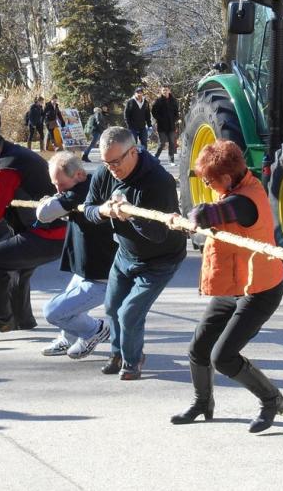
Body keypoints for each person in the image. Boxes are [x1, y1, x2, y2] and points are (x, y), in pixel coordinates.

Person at [168, 140, 283, 433]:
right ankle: (202, 403)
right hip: (235, 285)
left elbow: (207, 215)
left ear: (227, 178)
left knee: (223, 356)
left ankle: (271, 399)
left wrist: (190, 220)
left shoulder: (245, 201)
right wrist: (184, 224)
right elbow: (208, 223)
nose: (207, 185)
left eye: (209, 180)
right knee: (198, 348)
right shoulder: (232, 192)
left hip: (260, 289)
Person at [83, 127, 186, 380]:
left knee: (129, 312)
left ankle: (133, 360)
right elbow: (88, 208)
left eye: (116, 162)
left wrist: (132, 215)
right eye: (107, 163)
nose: (111, 168)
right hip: (126, 254)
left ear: (134, 152)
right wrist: (103, 211)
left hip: (160, 260)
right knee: (112, 307)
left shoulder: (158, 181)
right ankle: (117, 354)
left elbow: (159, 234)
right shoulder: (104, 173)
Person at [0, 129, 67, 335]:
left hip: (46, 234)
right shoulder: (18, 156)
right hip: (61, 231)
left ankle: (0, 319)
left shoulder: (6, 167)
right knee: (17, 267)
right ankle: (22, 320)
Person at [35, 152, 117, 358]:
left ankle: (95, 330)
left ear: (79, 174)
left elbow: (44, 215)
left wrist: (51, 201)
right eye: (55, 185)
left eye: (61, 184)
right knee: (67, 309)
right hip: (84, 270)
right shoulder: (76, 187)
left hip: (100, 277)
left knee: (53, 311)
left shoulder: (80, 191)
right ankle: (69, 337)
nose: (58, 189)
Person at [152, 86, 179, 164]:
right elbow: (153, 112)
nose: (165, 91)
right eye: (163, 90)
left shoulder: (173, 100)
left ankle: (171, 160)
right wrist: (160, 119)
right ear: (161, 91)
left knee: (172, 143)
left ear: (169, 91)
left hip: (171, 125)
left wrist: (175, 119)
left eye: (166, 90)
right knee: (162, 143)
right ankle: (155, 157)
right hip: (162, 126)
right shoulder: (158, 101)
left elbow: (176, 111)